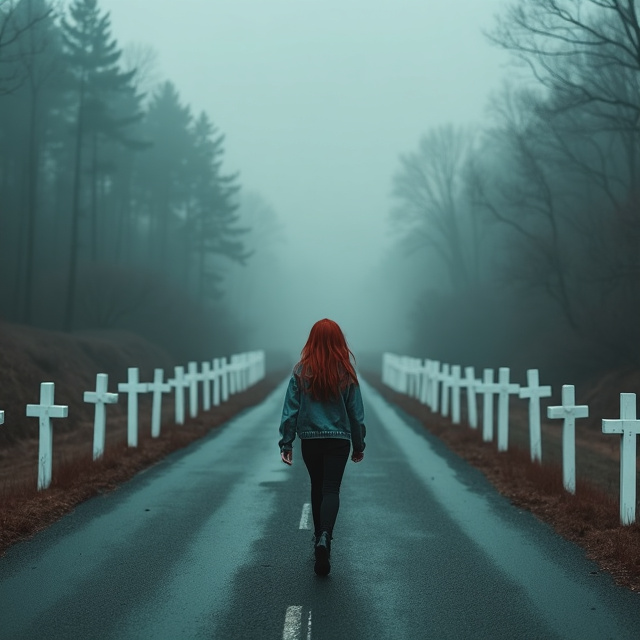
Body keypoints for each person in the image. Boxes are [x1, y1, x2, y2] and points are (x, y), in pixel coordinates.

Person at [278, 318, 366, 577]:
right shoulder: (346, 373)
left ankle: (318, 537)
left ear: (312, 340)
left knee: (317, 487)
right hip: (338, 439)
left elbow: (290, 411)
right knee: (331, 489)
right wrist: (358, 445)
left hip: (310, 439)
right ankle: (326, 536)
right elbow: (356, 414)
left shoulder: (301, 371)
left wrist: (287, 442)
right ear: (339, 341)